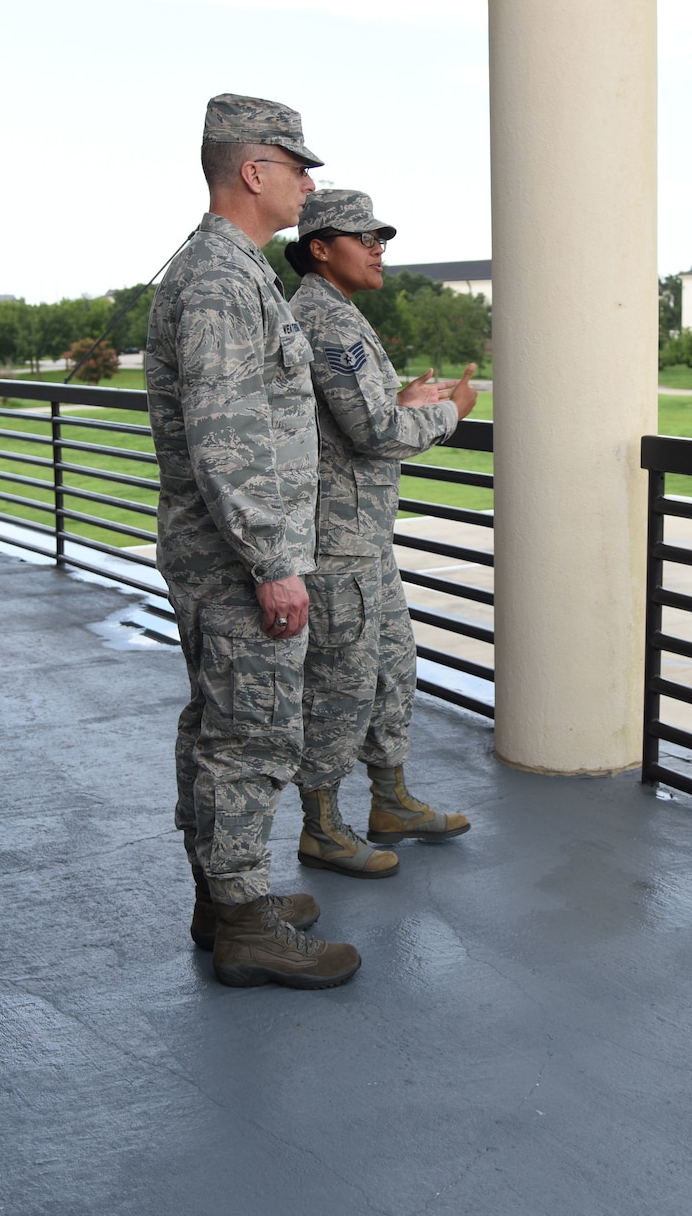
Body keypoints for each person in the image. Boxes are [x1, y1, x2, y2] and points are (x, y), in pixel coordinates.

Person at [146, 94, 360, 990]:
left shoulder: (231, 272)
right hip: (240, 561)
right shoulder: (223, 280)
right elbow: (228, 437)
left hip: (224, 553)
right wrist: (275, 564)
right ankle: (243, 922)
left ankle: (225, 894)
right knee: (251, 738)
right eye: (297, 164)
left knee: (220, 729)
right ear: (253, 171)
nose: (309, 182)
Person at [281, 191, 477, 879]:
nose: (378, 247)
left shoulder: (341, 314)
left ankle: (389, 800)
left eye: (381, 236)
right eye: (362, 236)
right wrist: (448, 413)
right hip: (337, 544)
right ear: (319, 248)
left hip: (363, 536)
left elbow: (353, 419)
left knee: (392, 665)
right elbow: (376, 435)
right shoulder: (324, 319)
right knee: (339, 685)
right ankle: (322, 827)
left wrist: (402, 401)